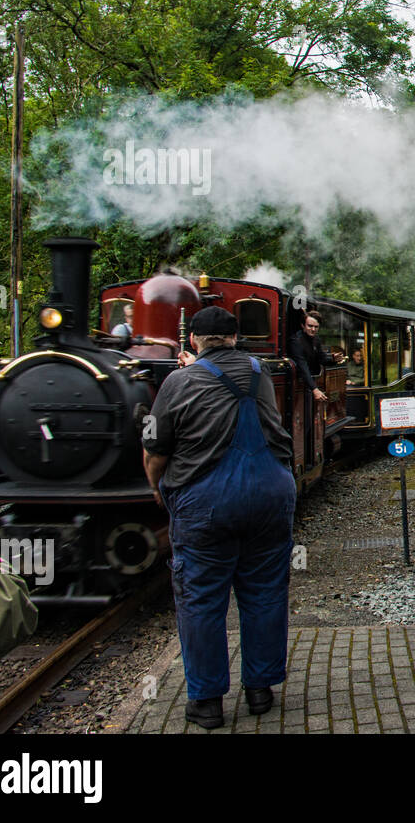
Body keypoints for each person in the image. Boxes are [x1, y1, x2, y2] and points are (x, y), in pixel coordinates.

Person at [141, 306, 296, 730]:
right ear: (234, 338)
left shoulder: (178, 380)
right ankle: (261, 690)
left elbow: (155, 451)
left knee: (201, 599)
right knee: (265, 592)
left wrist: (157, 488)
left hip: (207, 502)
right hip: (270, 494)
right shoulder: (260, 372)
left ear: (193, 340)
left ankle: (207, 702)